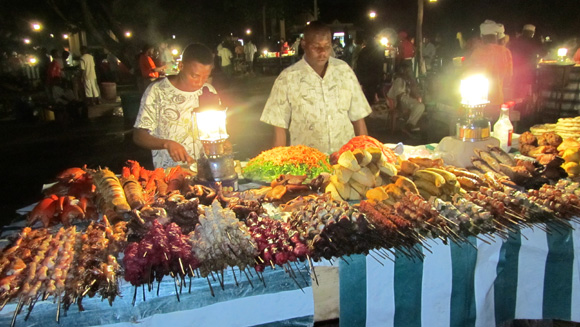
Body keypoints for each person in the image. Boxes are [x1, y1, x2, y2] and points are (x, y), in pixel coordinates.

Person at [260, 21, 372, 154]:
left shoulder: (344, 71)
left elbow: (358, 117)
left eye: (327, 46)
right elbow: (279, 126)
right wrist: (278, 164)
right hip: (307, 163)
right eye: (316, 47)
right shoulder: (287, 78)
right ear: (304, 45)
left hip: (345, 161)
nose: (323, 52)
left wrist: (366, 156)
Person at [133, 43, 215, 169]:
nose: (200, 83)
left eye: (206, 77)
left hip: (205, 171)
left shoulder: (209, 91)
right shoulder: (158, 91)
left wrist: (221, 143)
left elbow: (216, 130)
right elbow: (139, 135)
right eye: (195, 76)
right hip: (169, 174)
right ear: (181, 66)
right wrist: (166, 144)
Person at [466, 20, 513, 123]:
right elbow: (509, 78)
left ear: (482, 37)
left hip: (477, 101)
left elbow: (468, 75)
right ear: (496, 36)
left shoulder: (477, 52)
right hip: (498, 100)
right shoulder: (505, 52)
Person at [387, 62, 425, 133]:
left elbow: (413, 91)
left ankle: (410, 125)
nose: (408, 72)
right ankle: (409, 125)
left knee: (420, 106)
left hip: (404, 100)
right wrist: (399, 107)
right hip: (400, 101)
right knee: (420, 106)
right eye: (407, 70)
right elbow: (399, 96)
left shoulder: (407, 80)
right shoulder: (399, 80)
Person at [509, 24, 543, 100]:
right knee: (526, 90)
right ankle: (525, 105)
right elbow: (542, 52)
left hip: (516, 69)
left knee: (516, 89)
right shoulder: (533, 42)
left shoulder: (516, 41)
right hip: (529, 71)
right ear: (532, 33)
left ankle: (516, 105)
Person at [355, 35, 385, 104]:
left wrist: (359, 77)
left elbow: (359, 65)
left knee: (366, 94)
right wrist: (380, 76)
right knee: (372, 93)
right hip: (374, 76)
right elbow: (379, 65)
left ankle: (368, 107)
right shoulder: (378, 52)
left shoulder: (363, 52)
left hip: (365, 77)